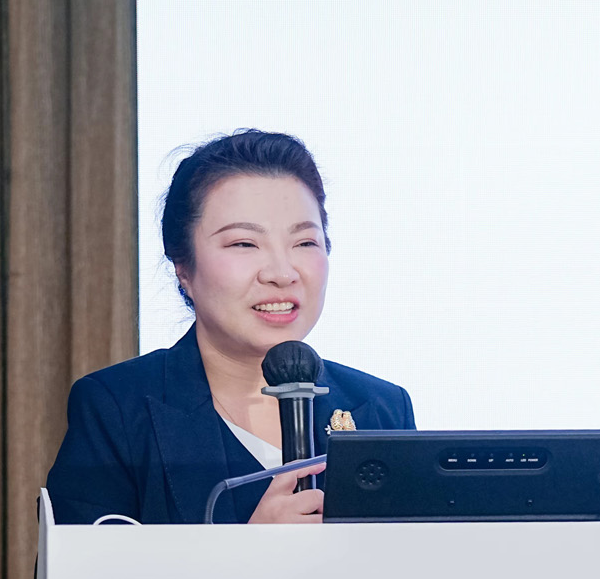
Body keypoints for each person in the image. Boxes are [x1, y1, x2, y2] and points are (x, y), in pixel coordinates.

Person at [45, 130, 415, 524]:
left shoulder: (382, 409)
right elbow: (81, 566)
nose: (281, 273)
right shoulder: (117, 409)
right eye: (244, 244)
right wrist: (246, 550)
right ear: (183, 267)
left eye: (305, 242)